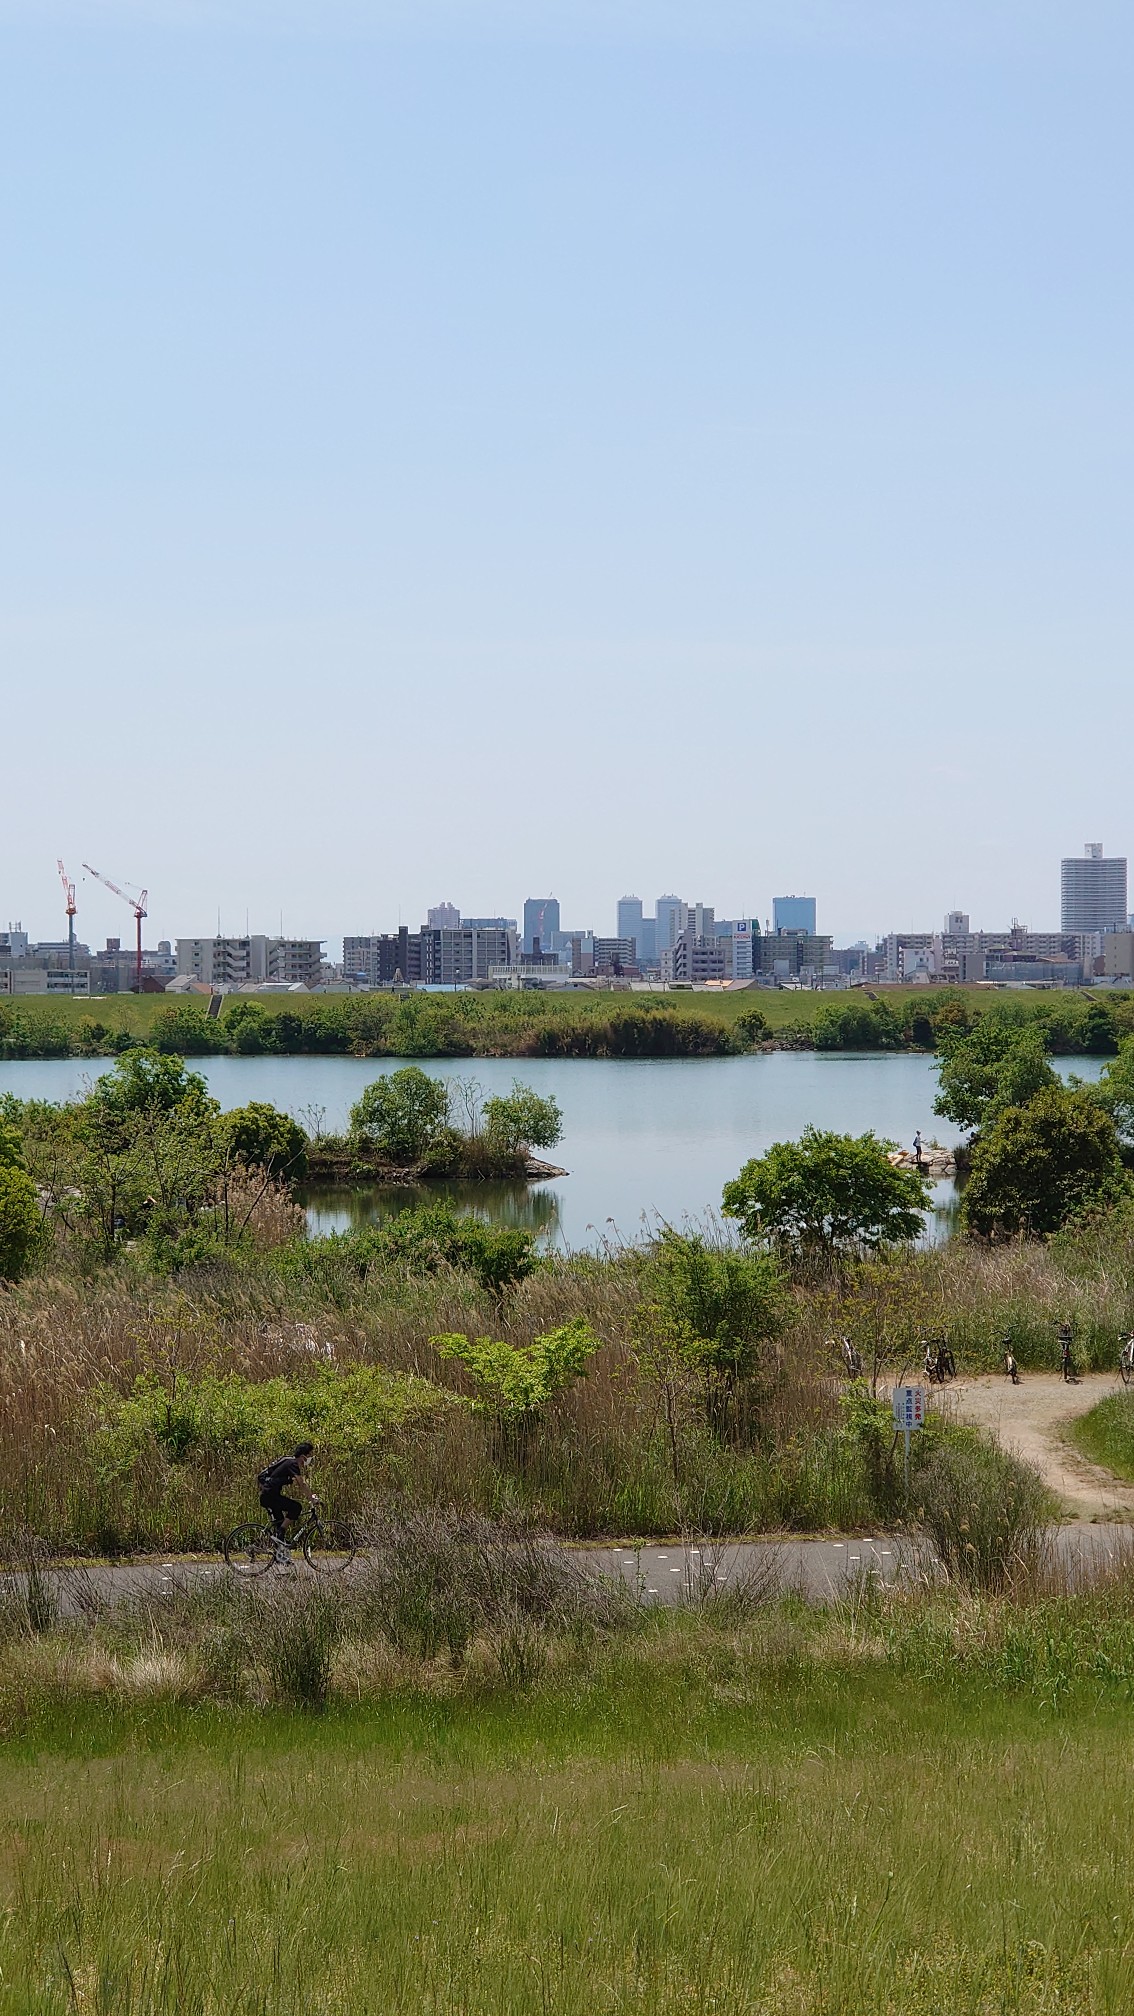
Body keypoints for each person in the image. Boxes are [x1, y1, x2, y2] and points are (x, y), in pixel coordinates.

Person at [258, 1441, 317, 1554]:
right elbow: (302, 1484)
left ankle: (281, 1556)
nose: (310, 1458)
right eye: (309, 1455)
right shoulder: (293, 1464)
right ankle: (280, 1532)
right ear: (303, 1456)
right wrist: (311, 1498)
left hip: (269, 1495)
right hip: (270, 1496)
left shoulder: (288, 1461)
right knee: (296, 1507)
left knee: (280, 1526)